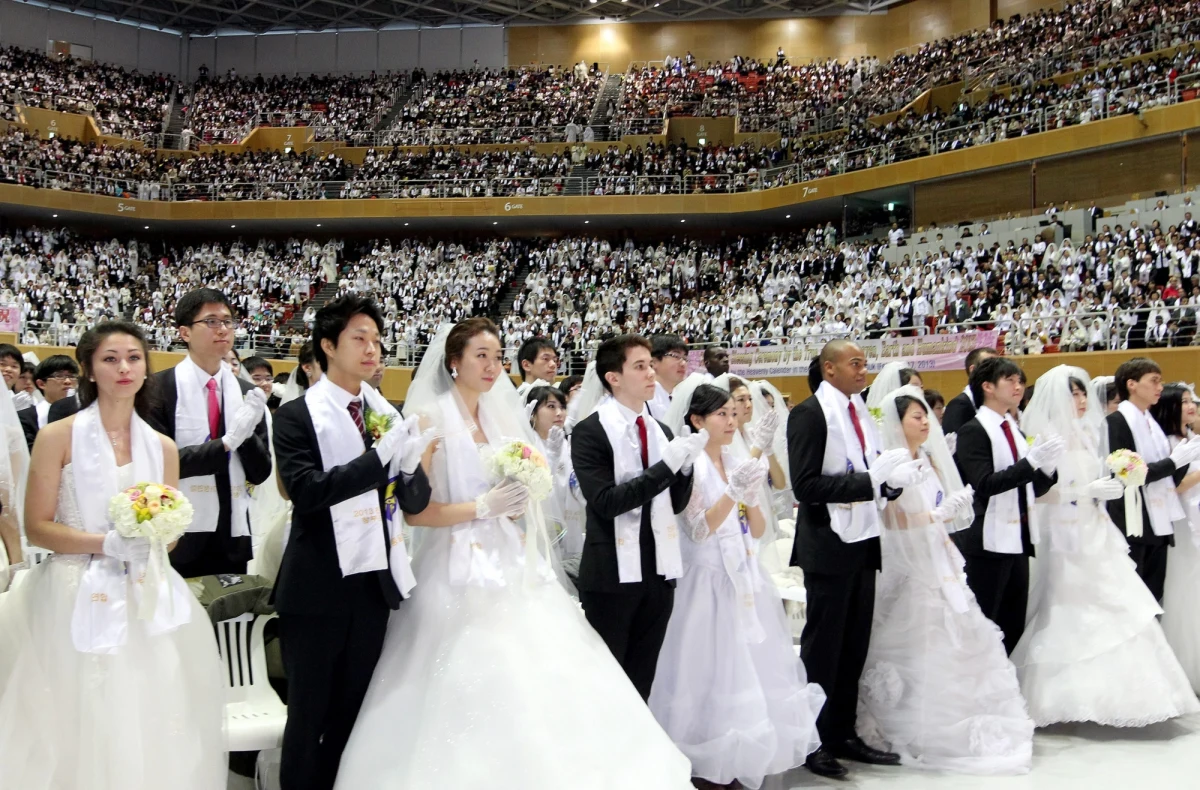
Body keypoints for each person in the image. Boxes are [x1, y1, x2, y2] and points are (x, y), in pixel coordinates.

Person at [333, 320, 695, 790]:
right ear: (454, 362)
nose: (492, 366)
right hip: (455, 562)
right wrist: (482, 507)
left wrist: (519, 499)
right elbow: (416, 512)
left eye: (497, 356)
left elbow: (524, 490)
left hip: (510, 555)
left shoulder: (501, 418)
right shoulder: (428, 420)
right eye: (481, 356)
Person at [0, 321, 226, 790]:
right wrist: (104, 543)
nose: (124, 368)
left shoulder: (162, 447)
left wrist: (155, 538)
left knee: (149, 709)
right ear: (88, 369)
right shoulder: (58, 436)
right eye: (110, 359)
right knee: (75, 717)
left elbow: (170, 530)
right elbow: (38, 525)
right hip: (71, 591)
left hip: (145, 592)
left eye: (134, 358)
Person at [273, 296, 435, 790]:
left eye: (377, 340)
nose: (372, 350)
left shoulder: (385, 412)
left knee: (353, 715)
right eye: (359, 338)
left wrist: (410, 466)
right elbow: (306, 492)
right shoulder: (296, 415)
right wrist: (378, 456)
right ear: (328, 345)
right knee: (307, 717)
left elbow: (413, 502)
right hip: (316, 586)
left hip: (371, 587)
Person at [651, 383, 824, 789]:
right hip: (705, 578)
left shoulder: (735, 460)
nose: (731, 422)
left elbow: (758, 529)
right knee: (706, 669)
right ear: (697, 420)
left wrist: (749, 495)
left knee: (748, 668)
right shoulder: (691, 465)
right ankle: (704, 757)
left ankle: (741, 755)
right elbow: (698, 529)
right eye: (721, 415)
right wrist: (732, 493)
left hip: (744, 575)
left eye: (733, 413)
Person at [859, 385, 1033, 774]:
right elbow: (891, 519)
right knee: (918, 629)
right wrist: (933, 517)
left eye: (926, 415)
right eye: (917, 416)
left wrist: (947, 516)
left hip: (938, 555)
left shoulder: (930, 461)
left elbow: (939, 507)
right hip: (909, 560)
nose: (926, 422)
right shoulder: (892, 463)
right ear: (898, 423)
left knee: (960, 628)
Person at [1013, 368, 1199, 725]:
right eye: (1074, 394)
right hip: (1065, 530)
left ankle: (1133, 694)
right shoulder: (1045, 439)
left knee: (1119, 598)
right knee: (1070, 601)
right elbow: (1039, 492)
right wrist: (1085, 492)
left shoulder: (1090, 433)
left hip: (1095, 526)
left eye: (1083, 393)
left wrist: (1105, 489)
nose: (1082, 401)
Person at [788, 340, 923, 779]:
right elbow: (805, 486)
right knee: (823, 650)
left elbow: (870, 471)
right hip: (828, 545)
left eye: (865, 363)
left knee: (852, 648)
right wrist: (868, 481)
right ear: (829, 369)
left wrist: (892, 483)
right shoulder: (810, 414)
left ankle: (842, 732)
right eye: (855, 363)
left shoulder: (860, 411)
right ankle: (811, 740)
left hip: (864, 541)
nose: (864, 370)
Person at [571, 335, 705, 699]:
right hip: (612, 574)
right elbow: (606, 502)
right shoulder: (590, 432)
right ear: (613, 377)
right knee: (608, 684)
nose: (651, 374)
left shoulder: (660, 430)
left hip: (659, 573)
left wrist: (686, 469)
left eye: (651, 365)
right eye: (640, 366)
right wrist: (666, 467)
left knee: (642, 680)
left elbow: (674, 504)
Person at [148, 288, 273, 578]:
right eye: (211, 321)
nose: (223, 329)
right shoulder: (157, 389)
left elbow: (260, 472)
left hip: (231, 534)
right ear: (185, 332)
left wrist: (245, 434)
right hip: (176, 533)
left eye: (228, 321)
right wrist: (227, 443)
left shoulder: (247, 393)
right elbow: (160, 462)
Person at [955, 356, 1062, 655]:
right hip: (988, 540)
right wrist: (1030, 463)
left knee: (1013, 621)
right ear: (987, 386)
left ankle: (1007, 678)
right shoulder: (974, 430)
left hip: (1018, 537)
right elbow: (985, 484)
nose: (1018, 386)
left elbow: (1030, 488)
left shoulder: (1013, 428)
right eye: (1010, 380)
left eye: (1020, 381)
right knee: (986, 621)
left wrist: (1047, 469)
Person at [1105, 358, 1200, 601]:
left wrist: (1183, 460)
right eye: (1154, 381)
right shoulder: (1117, 422)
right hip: (1132, 521)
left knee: (1155, 595)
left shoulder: (1152, 424)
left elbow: (1170, 478)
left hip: (1158, 523)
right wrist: (1173, 462)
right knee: (1133, 597)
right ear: (1132, 384)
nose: (1160, 387)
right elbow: (1128, 474)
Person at [1155, 383, 1200, 690]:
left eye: (1192, 400)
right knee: (1186, 586)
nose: (1191, 405)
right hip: (1182, 522)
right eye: (1184, 401)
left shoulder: (1192, 437)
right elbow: (1176, 485)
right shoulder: (1169, 442)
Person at [526, 385, 585, 577]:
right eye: (551, 406)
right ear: (533, 414)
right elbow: (532, 491)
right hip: (540, 528)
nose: (559, 413)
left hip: (569, 521)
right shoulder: (526, 446)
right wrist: (550, 459)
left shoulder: (567, 443)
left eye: (562, 407)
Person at [943, 347, 997, 435]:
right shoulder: (959, 404)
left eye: (998, 366)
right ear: (973, 370)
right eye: (989, 365)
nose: (997, 371)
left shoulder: (996, 401)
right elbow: (954, 441)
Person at [647, 334, 688, 421]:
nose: (683, 363)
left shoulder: (681, 397)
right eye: (676, 356)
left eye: (685, 358)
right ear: (653, 361)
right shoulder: (644, 400)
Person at [32, 354, 79, 429]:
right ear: (41, 384)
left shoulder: (86, 413)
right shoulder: (26, 417)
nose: (68, 381)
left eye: (72, 376)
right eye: (59, 376)